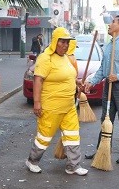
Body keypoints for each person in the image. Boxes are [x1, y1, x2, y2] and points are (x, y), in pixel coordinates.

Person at [25, 27, 88, 176]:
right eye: (62, 42)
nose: (65, 45)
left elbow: (68, 76)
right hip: (51, 106)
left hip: (68, 106)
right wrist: (37, 103)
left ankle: (73, 165)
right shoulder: (45, 58)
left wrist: (77, 82)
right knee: (44, 136)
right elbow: (38, 80)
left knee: (72, 135)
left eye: (67, 43)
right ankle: (32, 161)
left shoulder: (65, 58)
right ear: (55, 42)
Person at [84, 15, 119, 164]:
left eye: (113, 22)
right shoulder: (109, 45)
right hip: (108, 87)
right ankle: (101, 151)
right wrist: (92, 81)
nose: (109, 25)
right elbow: (103, 69)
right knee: (106, 120)